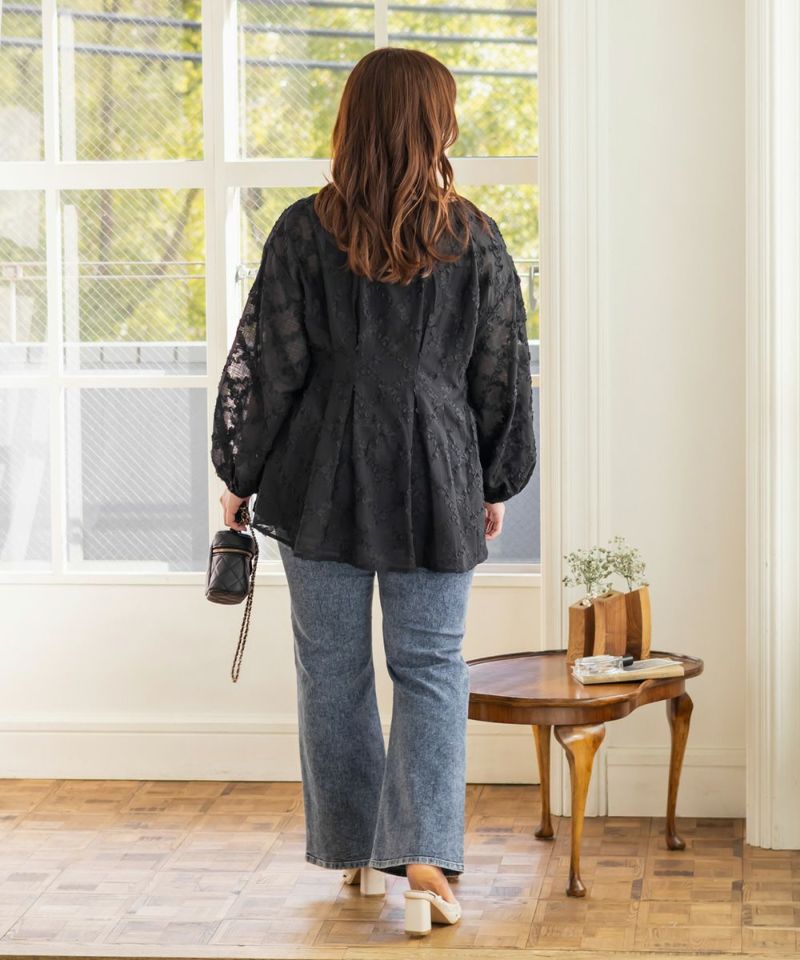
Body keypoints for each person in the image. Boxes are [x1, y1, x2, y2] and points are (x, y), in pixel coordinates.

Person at [210, 46, 537, 937]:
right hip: (436, 472)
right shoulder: (474, 236)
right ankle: (424, 862)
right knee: (430, 667)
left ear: (352, 122)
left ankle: (356, 848)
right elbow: (501, 371)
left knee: (332, 668)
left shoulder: (302, 231)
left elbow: (267, 368)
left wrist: (239, 476)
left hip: (317, 475)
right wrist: (493, 479)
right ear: (435, 124)